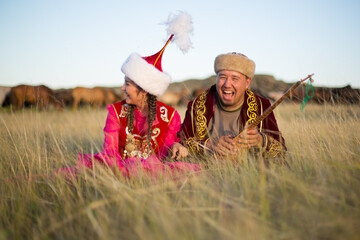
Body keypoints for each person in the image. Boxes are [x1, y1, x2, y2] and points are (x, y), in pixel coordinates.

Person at [60, 12, 201, 178]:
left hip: (155, 176)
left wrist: (176, 147)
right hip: (118, 173)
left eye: (127, 84)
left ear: (144, 89)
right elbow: (110, 153)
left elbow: (167, 149)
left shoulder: (170, 116)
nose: (122, 88)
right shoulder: (116, 111)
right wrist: (131, 168)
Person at [175, 52, 286, 163]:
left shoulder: (262, 106)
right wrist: (209, 145)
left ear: (247, 83)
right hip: (203, 172)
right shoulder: (197, 105)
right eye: (222, 77)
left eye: (235, 79)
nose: (227, 84)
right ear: (216, 79)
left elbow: (281, 151)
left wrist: (260, 140)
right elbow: (181, 143)